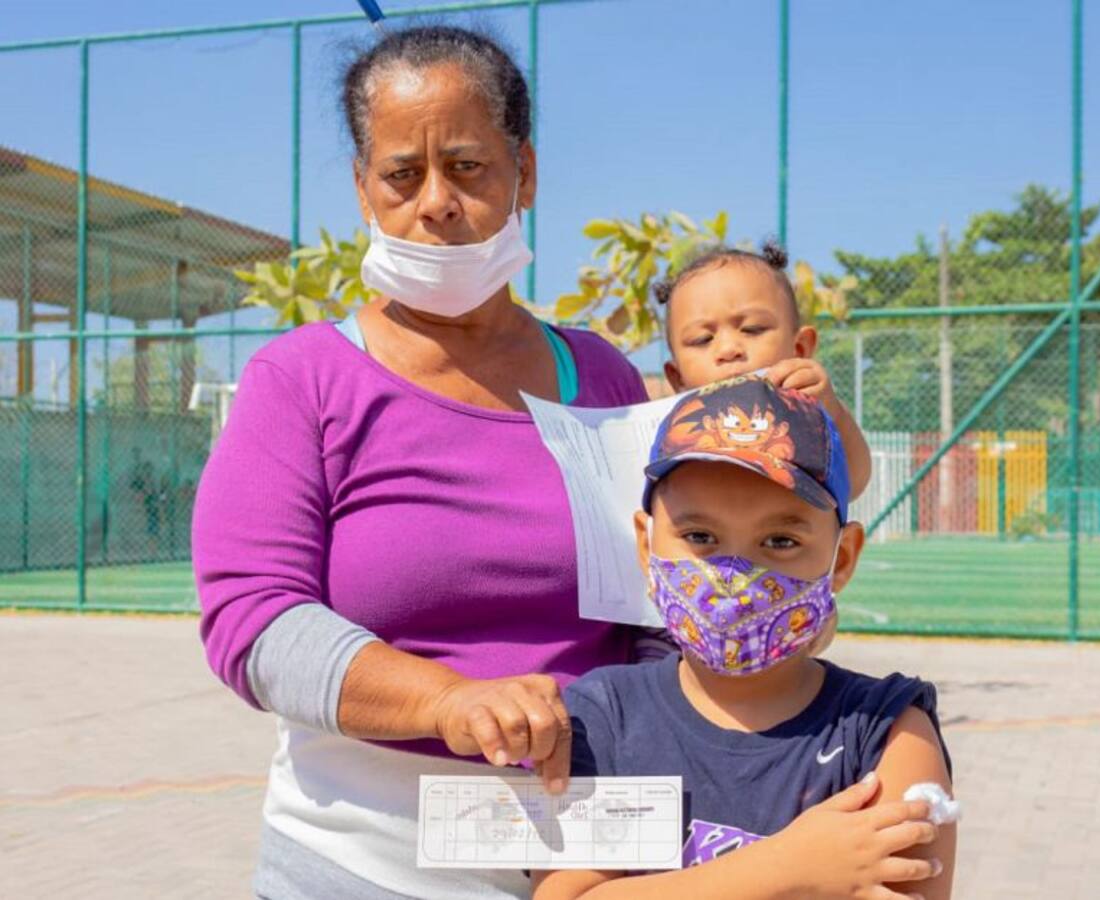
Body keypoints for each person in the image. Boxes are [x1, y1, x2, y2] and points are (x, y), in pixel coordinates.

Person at [192, 25, 651, 900]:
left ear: (526, 172)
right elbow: (254, 619)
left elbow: (660, 603)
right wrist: (448, 702)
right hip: (358, 861)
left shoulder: (603, 378)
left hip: (590, 861)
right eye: (403, 174)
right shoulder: (300, 381)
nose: (435, 201)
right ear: (366, 189)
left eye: (469, 166)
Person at [533, 375, 956, 900]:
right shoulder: (602, 716)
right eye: (700, 537)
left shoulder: (888, 732)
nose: (733, 578)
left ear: (841, 557)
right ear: (646, 546)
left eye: (780, 540)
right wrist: (784, 869)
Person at [655, 241, 872, 498]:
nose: (728, 349)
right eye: (703, 339)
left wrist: (831, 410)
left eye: (752, 329)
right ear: (677, 377)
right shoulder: (675, 433)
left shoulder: (802, 418)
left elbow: (853, 483)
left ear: (800, 348)